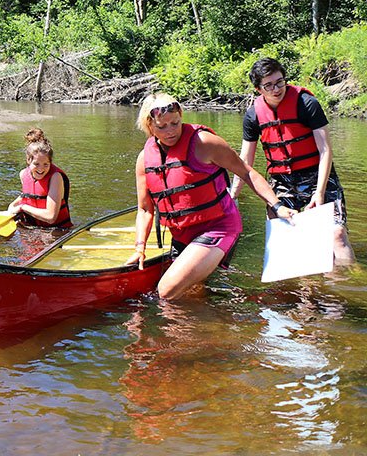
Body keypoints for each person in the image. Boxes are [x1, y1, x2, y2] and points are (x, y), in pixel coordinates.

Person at [127, 93, 295, 299]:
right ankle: (216, 327)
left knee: (167, 290)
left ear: (181, 116)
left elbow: (246, 172)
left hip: (219, 227)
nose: (170, 131)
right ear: (149, 126)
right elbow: (145, 209)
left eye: (175, 123)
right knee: (191, 296)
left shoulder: (204, 143)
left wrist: (277, 205)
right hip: (182, 235)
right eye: (162, 127)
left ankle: (270, 304)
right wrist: (140, 247)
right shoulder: (145, 159)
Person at [231, 57, 356, 265]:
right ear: (258, 89)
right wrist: (233, 196)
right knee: (289, 242)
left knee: (337, 235)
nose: (276, 89)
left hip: (318, 176)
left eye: (280, 82)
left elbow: (325, 150)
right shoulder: (253, 115)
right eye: (268, 85)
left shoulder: (307, 104)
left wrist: (319, 192)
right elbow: (245, 161)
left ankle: (349, 287)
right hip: (282, 182)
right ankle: (302, 290)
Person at [5, 128, 73, 229]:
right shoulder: (23, 174)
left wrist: (22, 208)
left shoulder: (55, 177)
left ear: (51, 162)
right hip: (33, 228)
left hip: (58, 231)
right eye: (36, 164)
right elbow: (27, 196)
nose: (41, 169)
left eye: (46, 164)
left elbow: (51, 217)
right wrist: (12, 205)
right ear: (28, 160)